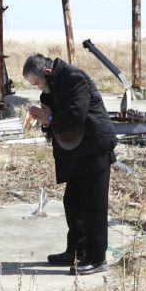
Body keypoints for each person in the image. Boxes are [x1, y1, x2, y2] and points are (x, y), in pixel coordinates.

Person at [23, 54, 118, 275]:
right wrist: (45, 119)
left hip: (94, 147)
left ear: (46, 73)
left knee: (93, 205)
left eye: (37, 83)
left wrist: (51, 119)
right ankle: (76, 251)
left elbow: (76, 115)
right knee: (73, 202)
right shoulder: (52, 87)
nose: (38, 88)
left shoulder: (74, 78)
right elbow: (52, 114)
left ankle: (96, 257)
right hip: (76, 152)